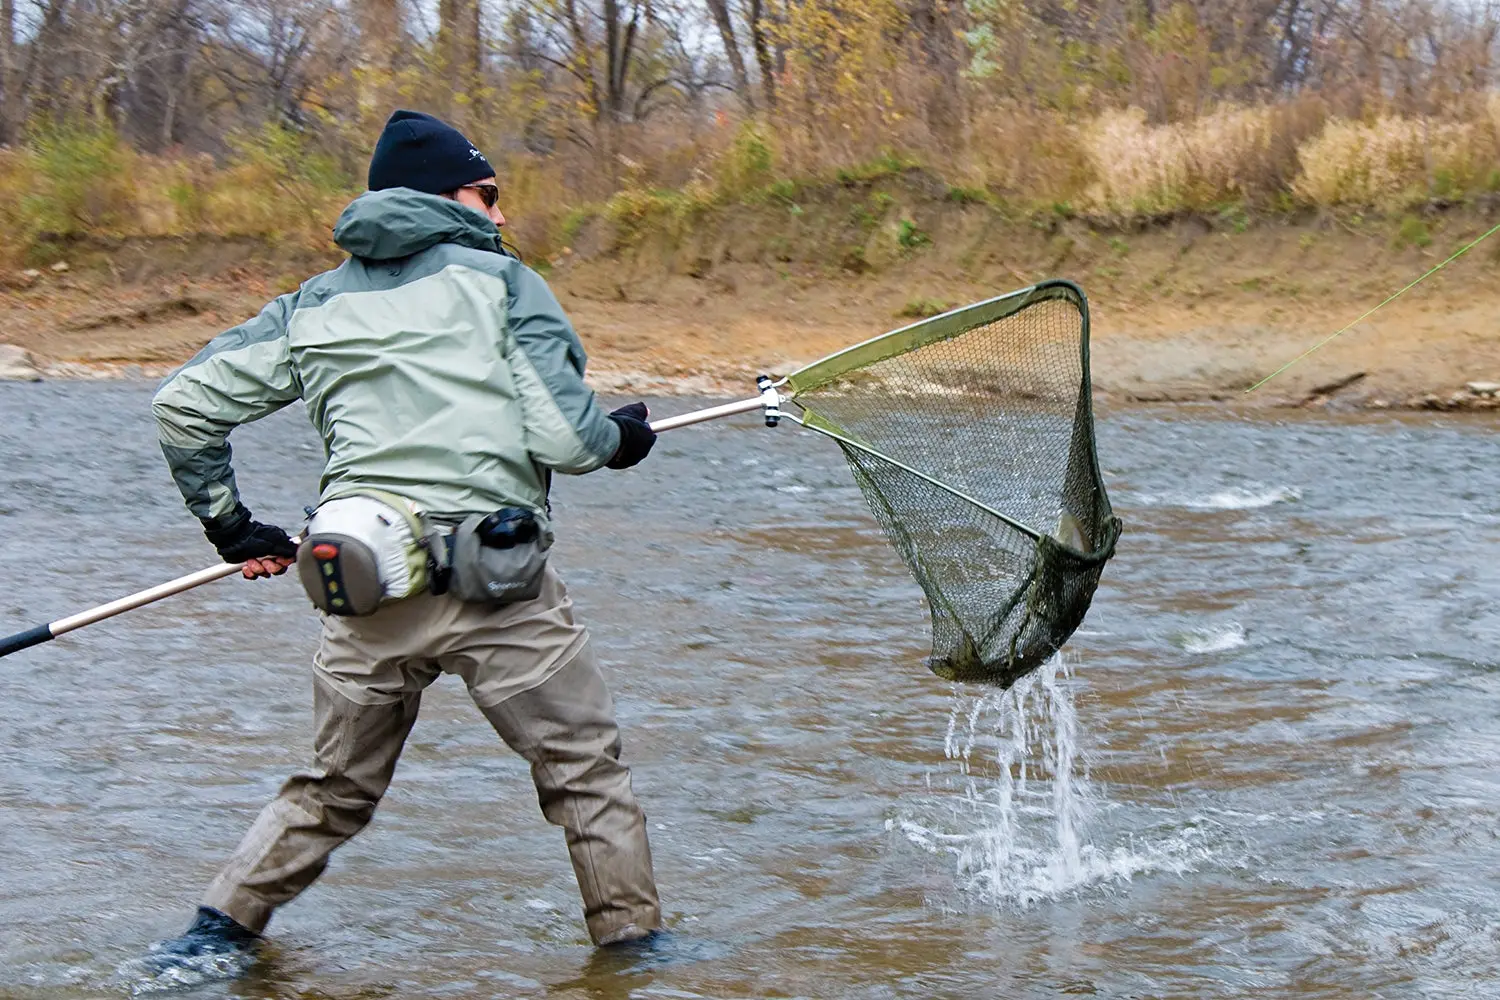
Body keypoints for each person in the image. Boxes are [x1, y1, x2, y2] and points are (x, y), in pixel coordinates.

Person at [146, 109, 662, 969]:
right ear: (447, 196)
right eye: (487, 193)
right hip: (500, 591)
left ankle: (212, 939)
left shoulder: (309, 303)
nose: (500, 214)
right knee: (584, 773)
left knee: (331, 789)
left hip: (362, 585)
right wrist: (622, 441)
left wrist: (234, 530)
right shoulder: (506, 284)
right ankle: (632, 960)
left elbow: (181, 407)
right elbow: (572, 445)